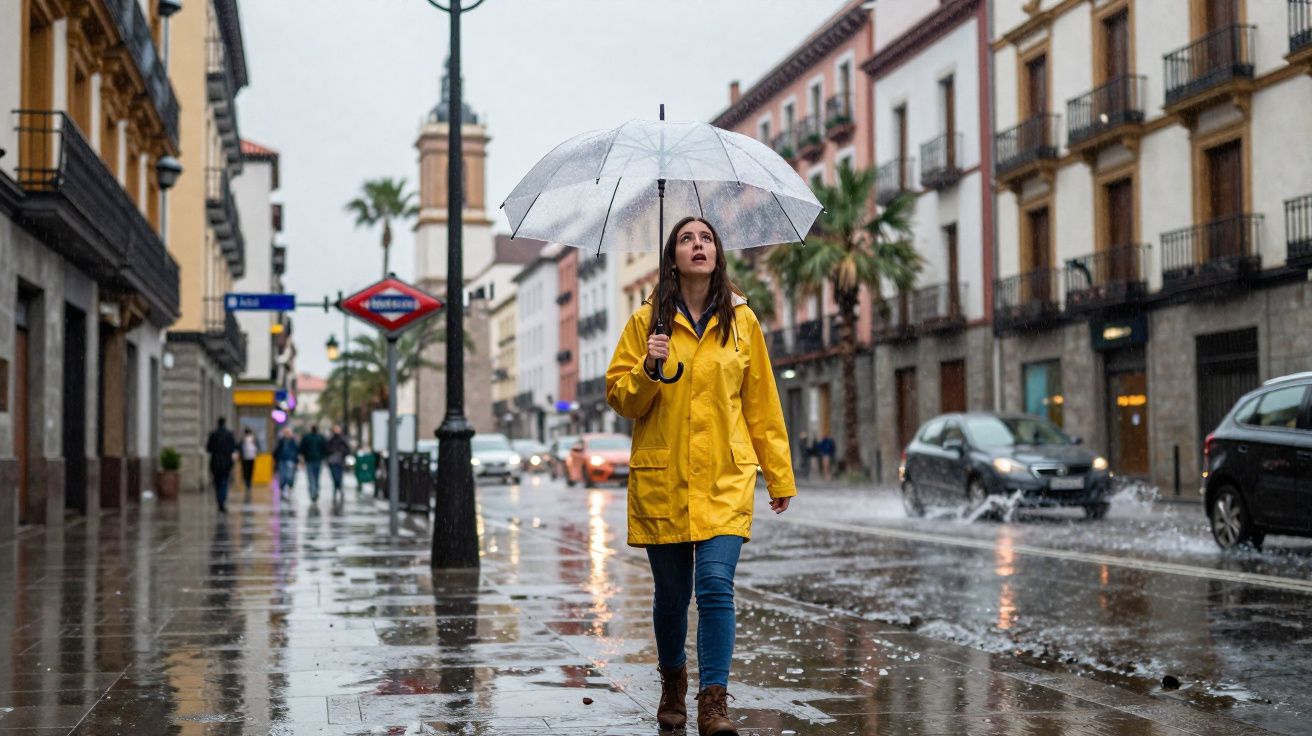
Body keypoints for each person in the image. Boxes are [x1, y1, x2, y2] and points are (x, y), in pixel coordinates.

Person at [606, 216, 795, 735]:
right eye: (686, 238)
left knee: (715, 585)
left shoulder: (743, 322)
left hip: (724, 479)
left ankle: (714, 705)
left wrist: (779, 475)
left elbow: (762, 405)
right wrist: (648, 367)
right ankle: (673, 684)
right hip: (664, 478)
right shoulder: (647, 323)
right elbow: (620, 398)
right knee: (671, 598)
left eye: (706, 238)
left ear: (717, 254)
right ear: (673, 257)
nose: (697, 245)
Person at [204, 418, 238, 513]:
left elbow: (208, 448)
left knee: (217, 483)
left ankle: (220, 502)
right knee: (224, 483)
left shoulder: (213, 435)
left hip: (215, 462)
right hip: (226, 463)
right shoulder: (229, 434)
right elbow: (233, 448)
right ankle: (222, 502)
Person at [299, 424, 327, 503]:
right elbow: (324, 449)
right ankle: (315, 491)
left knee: (311, 477)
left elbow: (302, 448)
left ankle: (313, 492)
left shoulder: (307, 437)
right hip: (316, 460)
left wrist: (303, 458)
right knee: (316, 477)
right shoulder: (320, 438)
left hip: (310, 460)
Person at [273, 428, 299, 500]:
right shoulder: (281, 441)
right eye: (286, 432)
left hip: (291, 461)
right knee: (283, 476)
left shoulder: (293, 442)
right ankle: (282, 490)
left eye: (289, 432)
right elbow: (276, 450)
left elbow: (296, 451)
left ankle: (290, 488)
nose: (287, 434)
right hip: (282, 461)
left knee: (289, 476)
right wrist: (275, 459)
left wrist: (296, 461)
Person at [326, 425, 351, 501]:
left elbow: (347, 449)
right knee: (334, 476)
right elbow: (327, 448)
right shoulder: (331, 439)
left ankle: (339, 489)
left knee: (339, 477)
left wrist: (342, 453)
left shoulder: (343, 439)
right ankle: (337, 489)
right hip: (332, 461)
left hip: (340, 460)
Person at [239, 428, 259, 495]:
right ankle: (248, 483)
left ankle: (248, 482)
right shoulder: (251, 439)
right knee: (249, 471)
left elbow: (240, 447)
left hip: (246, 458)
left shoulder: (246, 440)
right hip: (250, 458)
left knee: (246, 471)